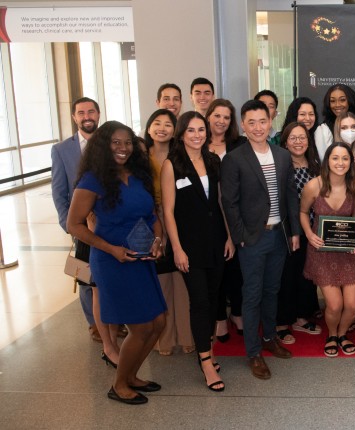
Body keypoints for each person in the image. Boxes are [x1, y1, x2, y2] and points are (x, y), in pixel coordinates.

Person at [67, 121, 167, 405]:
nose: (123, 148)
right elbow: (73, 224)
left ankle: (132, 375)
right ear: (103, 145)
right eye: (116, 143)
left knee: (158, 322)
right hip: (113, 261)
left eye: (127, 143)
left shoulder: (137, 174)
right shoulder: (92, 180)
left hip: (141, 258)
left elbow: (152, 215)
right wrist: (111, 249)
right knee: (141, 328)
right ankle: (119, 384)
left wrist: (158, 240)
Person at [220, 100, 301, 380]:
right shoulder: (235, 158)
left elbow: (291, 194)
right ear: (243, 125)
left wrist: (293, 232)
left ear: (270, 122)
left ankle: (269, 338)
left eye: (262, 121)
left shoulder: (281, 155)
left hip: (278, 235)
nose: (257, 127)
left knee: (272, 290)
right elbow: (229, 203)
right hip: (252, 239)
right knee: (252, 295)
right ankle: (253, 352)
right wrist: (240, 235)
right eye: (251, 122)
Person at [161, 111, 235, 392]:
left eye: (200, 130)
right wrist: (177, 249)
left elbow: (219, 201)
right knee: (200, 302)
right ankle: (205, 361)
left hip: (216, 241)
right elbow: (168, 211)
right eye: (191, 130)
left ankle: (207, 349)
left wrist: (228, 235)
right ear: (181, 134)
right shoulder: (172, 165)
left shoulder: (214, 160)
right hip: (189, 245)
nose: (197, 135)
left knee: (214, 299)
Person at [301, 142, 355, 357]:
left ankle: (342, 334)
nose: (340, 163)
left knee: (353, 306)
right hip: (323, 253)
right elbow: (302, 212)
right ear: (327, 160)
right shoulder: (313, 186)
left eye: (345, 158)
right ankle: (332, 334)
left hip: (348, 252)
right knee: (335, 305)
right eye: (335, 158)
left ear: (351, 161)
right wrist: (310, 235)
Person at [51, 97, 102, 344]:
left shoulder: (110, 142)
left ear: (99, 114)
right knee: (85, 274)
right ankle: (94, 323)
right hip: (80, 224)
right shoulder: (62, 150)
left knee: (110, 271)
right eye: (81, 112)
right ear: (74, 117)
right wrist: (68, 224)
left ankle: (113, 318)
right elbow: (59, 191)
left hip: (109, 221)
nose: (86, 116)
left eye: (91, 111)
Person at [144, 109, 195, 356]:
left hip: (178, 220)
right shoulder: (140, 156)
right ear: (149, 127)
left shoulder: (181, 157)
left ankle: (186, 335)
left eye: (168, 124)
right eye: (157, 123)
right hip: (150, 222)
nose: (162, 128)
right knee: (161, 282)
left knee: (182, 282)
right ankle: (164, 339)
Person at [275, 122, 322, 343]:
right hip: (288, 230)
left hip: (313, 231)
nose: (298, 142)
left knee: (306, 275)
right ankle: (282, 322)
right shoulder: (280, 165)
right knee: (287, 276)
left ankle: (301, 318)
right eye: (293, 138)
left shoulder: (316, 166)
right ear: (284, 141)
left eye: (302, 137)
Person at [205, 98, 245, 341]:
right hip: (208, 217)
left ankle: (237, 313)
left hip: (235, 214)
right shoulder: (197, 142)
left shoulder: (239, 144)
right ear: (208, 116)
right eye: (217, 115)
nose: (221, 121)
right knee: (216, 269)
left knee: (237, 269)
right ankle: (220, 317)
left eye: (226, 117)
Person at [315, 84, 355, 160]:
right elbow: (324, 161)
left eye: (342, 100)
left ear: (350, 101)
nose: (337, 105)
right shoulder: (323, 130)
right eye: (333, 101)